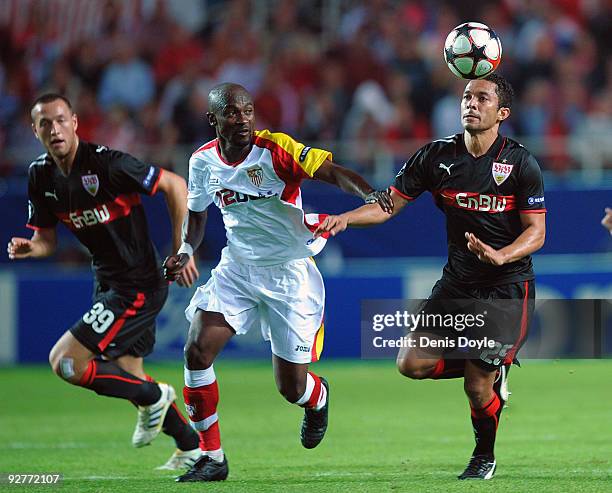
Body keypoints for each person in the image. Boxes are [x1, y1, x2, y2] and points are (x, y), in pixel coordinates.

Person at [315, 74, 546, 480]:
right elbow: (388, 204)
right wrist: (345, 219)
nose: (471, 104)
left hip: (506, 286)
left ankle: (483, 455)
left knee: (476, 388)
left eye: (482, 99)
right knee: (411, 363)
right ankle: (494, 366)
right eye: (466, 97)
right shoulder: (436, 157)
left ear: (502, 113)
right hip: (457, 282)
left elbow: (537, 231)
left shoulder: (521, 163)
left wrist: (500, 255)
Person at [162, 82, 392, 482]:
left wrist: (371, 193)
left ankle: (317, 399)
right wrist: (185, 250)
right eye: (232, 112)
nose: (243, 119)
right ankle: (212, 457)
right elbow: (197, 217)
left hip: (289, 271)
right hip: (238, 267)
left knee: (291, 388)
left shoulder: (276, 149)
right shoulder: (201, 162)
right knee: (197, 350)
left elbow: (332, 173)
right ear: (213, 119)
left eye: (248, 111)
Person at [7, 93, 202, 471]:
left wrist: (182, 249)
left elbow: (175, 185)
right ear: (34, 131)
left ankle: (155, 397)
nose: (54, 129)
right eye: (45, 123)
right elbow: (47, 240)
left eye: (61, 120)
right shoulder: (40, 176)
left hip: (139, 282)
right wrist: (32, 248)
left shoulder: (107, 164)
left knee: (65, 362)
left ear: (75, 122)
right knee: (127, 375)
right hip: (108, 280)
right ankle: (190, 445)